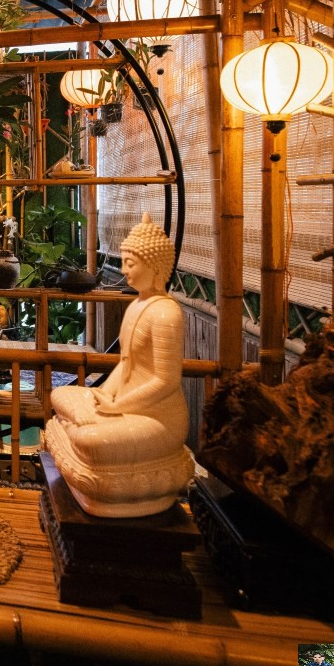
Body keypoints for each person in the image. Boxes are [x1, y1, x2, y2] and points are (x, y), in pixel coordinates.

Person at [44, 213, 195, 517]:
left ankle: (86, 437)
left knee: (92, 440)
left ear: (154, 266)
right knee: (61, 394)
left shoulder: (166, 313)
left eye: (130, 263)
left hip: (155, 417)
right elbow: (125, 365)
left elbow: (165, 381)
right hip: (121, 403)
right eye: (124, 262)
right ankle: (85, 426)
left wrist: (118, 406)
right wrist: (104, 395)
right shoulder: (137, 306)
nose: (124, 270)